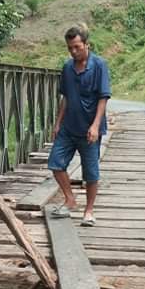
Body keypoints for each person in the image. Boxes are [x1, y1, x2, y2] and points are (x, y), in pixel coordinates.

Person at [47, 25, 111, 226]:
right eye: (70, 48)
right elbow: (65, 97)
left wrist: (95, 125)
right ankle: (70, 199)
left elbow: (103, 97)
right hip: (68, 127)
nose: (73, 52)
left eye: (77, 47)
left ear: (86, 44)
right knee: (56, 164)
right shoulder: (67, 68)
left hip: (89, 129)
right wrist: (57, 123)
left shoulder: (99, 65)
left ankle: (89, 211)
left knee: (91, 173)